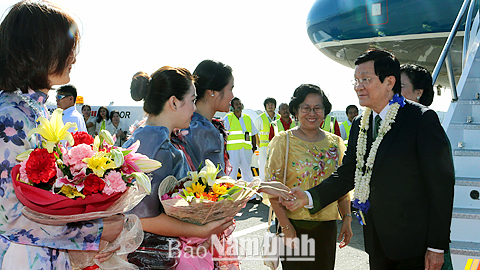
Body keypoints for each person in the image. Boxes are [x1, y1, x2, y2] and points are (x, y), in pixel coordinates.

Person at [284, 48, 455, 270]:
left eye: (365, 79)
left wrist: (437, 246)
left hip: (414, 247)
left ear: (389, 82)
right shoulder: (360, 124)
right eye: (355, 80)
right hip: (376, 244)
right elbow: (348, 173)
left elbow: (441, 187)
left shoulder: (420, 120)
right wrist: (307, 197)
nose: (358, 87)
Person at [0, 1, 124, 269]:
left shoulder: (35, 108)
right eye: (67, 49)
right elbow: (8, 217)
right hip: (21, 257)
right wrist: (94, 230)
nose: (73, 58)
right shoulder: (11, 117)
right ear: (39, 49)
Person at [124, 67, 233, 269]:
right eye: (192, 100)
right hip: (155, 257)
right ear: (174, 102)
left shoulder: (140, 138)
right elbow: (142, 218)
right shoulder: (161, 149)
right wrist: (198, 230)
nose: (194, 108)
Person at [266, 84, 352, 270]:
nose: (312, 113)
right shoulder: (283, 141)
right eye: (306, 108)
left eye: (317, 108)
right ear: (296, 111)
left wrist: (347, 217)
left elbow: (341, 185)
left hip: (327, 225)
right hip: (294, 225)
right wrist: (286, 226)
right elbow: (272, 189)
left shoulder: (335, 142)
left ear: (324, 111)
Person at [400, 63, 453, 270]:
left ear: (418, 93)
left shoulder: (427, 124)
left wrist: (436, 245)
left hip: (423, 235)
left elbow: (441, 189)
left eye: (401, 86)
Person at [178, 59, 234, 175]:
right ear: (212, 92)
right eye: (230, 89)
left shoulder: (189, 124)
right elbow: (215, 182)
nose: (232, 96)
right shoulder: (202, 130)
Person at [223, 97, 258, 185]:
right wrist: (225, 150)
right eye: (236, 104)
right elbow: (223, 135)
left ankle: (251, 195)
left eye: (240, 104)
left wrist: (254, 147)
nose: (239, 106)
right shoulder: (227, 118)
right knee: (232, 172)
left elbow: (253, 134)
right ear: (232, 107)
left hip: (246, 149)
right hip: (233, 150)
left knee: (247, 173)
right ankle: (232, 193)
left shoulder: (247, 118)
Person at [254, 97, 279, 182]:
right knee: (263, 168)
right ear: (265, 106)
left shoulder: (279, 118)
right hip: (264, 147)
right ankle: (262, 189)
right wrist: (259, 145)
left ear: (275, 106)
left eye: (272, 104)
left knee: (276, 167)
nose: (270, 106)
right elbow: (255, 133)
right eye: (268, 104)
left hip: (277, 147)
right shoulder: (260, 118)